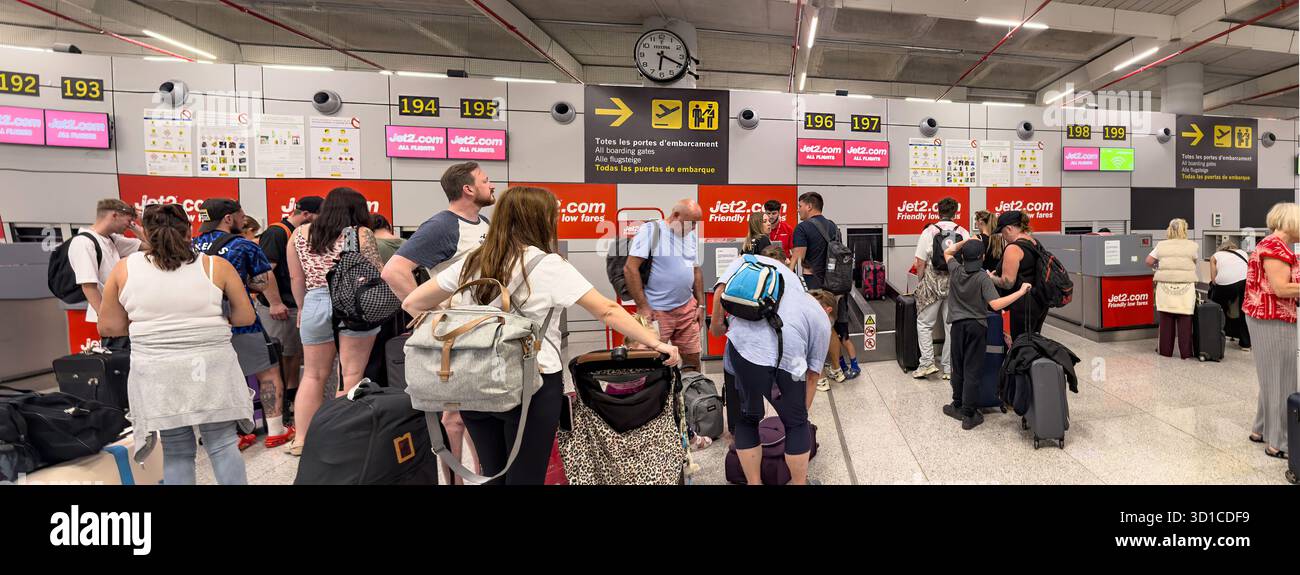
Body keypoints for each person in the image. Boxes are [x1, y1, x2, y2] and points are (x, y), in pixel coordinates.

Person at [402, 186, 681, 485]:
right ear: (539, 220)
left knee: (493, 472)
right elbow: (608, 311)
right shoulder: (547, 265)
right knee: (526, 477)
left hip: (475, 381)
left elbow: (412, 302)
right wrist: (656, 343)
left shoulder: (473, 261)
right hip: (532, 382)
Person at [96, 203, 253, 485]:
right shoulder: (215, 265)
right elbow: (245, 316)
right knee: (222, 444)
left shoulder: (124, 270)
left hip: (158, 371)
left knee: (177, 450)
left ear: (147, 233)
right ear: (189, 230)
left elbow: (110, 326)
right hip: (210, 366)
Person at [380, 162, 494, 482]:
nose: (492, 185)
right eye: (486, 181)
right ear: (468, 189)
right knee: (455, 415)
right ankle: (455, 480)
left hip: (480, 332)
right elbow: (393, 271)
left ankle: (481, 474)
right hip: (456, 334)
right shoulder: (442, 225)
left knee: (477, 410)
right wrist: (428, 312)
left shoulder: (482, 222)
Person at [710, 253, 831, 485]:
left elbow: (720, 289)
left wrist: (716, 326)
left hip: (742, 348)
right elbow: (813, 376)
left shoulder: (750, 262)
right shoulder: (820, 319)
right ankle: (799, 483)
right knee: (796, 424)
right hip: (789, 358)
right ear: (827, 310)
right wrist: (797, 415)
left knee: (748, 418)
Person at [286, 188, 385, 456]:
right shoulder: (360, 233)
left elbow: (297, 278)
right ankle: (344, 438)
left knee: (313, 375)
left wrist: (303, 309)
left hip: (314, 302)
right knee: (350, 374)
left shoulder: (299, 233)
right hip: (351, 304)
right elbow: (375, 272)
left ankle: (302, 440)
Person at [193, 198, 293, 450]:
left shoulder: (190, 245)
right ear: (228, 218)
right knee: (268, 372)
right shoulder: (243, 245)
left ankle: (233, 435)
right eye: (241, 215)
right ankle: (275, 430)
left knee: (217, 378)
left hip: (203, 325)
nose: (243, 219)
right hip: (242, 322)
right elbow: (261, 283)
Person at [941, 238, 1031, 430]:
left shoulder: (955, 269)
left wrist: (965, 242)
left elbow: (947, 253)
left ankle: (956, 404)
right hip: (976, 327)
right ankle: (968, 413)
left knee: (957, 367)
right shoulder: (983, 278)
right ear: (982, 257)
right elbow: (996, 305)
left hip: (956, 327)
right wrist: (1021, 292)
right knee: (972, 369)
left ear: (963, 256)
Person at [256, 195, 321, 426]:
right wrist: (274, 302)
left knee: (292, 357)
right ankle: (281, 413)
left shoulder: (296, 234)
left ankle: (292, 404)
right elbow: (264, 271)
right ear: (306, 215)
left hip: (291, 305)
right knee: (282, 358)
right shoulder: (277, 233)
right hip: (279, 307)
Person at [1242, 202, 1300, 460]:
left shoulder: (1268, 244)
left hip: (1262, 316)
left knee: (1270, 378)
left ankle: (1261, 429)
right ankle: (1280, 442)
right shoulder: (1276, 248)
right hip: (1273, 318)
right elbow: (1282, 289)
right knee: (1282, 380)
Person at [624, 199, 705, 371]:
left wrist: (701, 304)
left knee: (692, 361)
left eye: (696, 224)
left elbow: (696, 270)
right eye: (691, 223)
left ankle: (691, 395)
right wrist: (643, 306)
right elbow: (630, 268)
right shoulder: (651, 231)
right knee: (654, 364)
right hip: (656, 311)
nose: (694, 228)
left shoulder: (690, 235)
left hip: (686, 309)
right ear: (675, 215)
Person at [790, 192, 858, 383]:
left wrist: (787, 268)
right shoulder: (833, 226)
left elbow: (798, 259)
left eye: (800, 205)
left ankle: (818, 376)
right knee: (831, 328)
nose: (798, 209)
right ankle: (837, 369)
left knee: (816, 330)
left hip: (815, 287)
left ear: (809, 206)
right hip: (835, 285)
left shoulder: (802, 228)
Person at [68, 199, 143, 351]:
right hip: (113, 325)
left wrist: (135, 225)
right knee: (121, 369)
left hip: (125, 319)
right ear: (114, 215)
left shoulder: (112, 240)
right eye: (128, 221)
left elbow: (152, 246)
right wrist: (107, 320)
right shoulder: (84, 243)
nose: (128, 225)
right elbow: (89, 286)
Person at [910, 197, 968, 380]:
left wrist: (921, 282)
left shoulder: (930, 231)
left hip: (932, 284)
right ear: (955, 212)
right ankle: (949, 367)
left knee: (924, 324)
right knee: (951, 325)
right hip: (955, 284)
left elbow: (920, 261)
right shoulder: (963, 232)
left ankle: (927, 363)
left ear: (938, 212)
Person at [1145, 218, 1198, 359]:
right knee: (1185, 320)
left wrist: (1159, 268)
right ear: (1184, 230)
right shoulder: (1192, 246)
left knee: (1166, 320)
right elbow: (1194, 261)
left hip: (1165, 286)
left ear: (1169, 229)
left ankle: (1165, 352)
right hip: (1186, 287)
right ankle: (1186, 353)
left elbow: (1149, 261)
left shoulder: (1161, 245)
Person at [992, 211, 1047, 340]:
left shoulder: (1013, 248)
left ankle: (1022, 360)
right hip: (1038, 302)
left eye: (1002, 232)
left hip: (1021, 305)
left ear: (1009, 228)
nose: (1003, 236)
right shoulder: (1034, 242)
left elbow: (1008, 282)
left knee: (1020, 342)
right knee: (1032, 340)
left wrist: (991, 278)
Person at [1209, 238, 1251, 350]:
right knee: (1243, 312)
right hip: (1244, 282)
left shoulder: (1215, 255)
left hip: (1224, 284)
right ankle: (1245, 344)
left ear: (1221, 248)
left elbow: (1213, 279)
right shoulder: (1244, 253)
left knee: (1217, 308)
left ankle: (1216, 337)